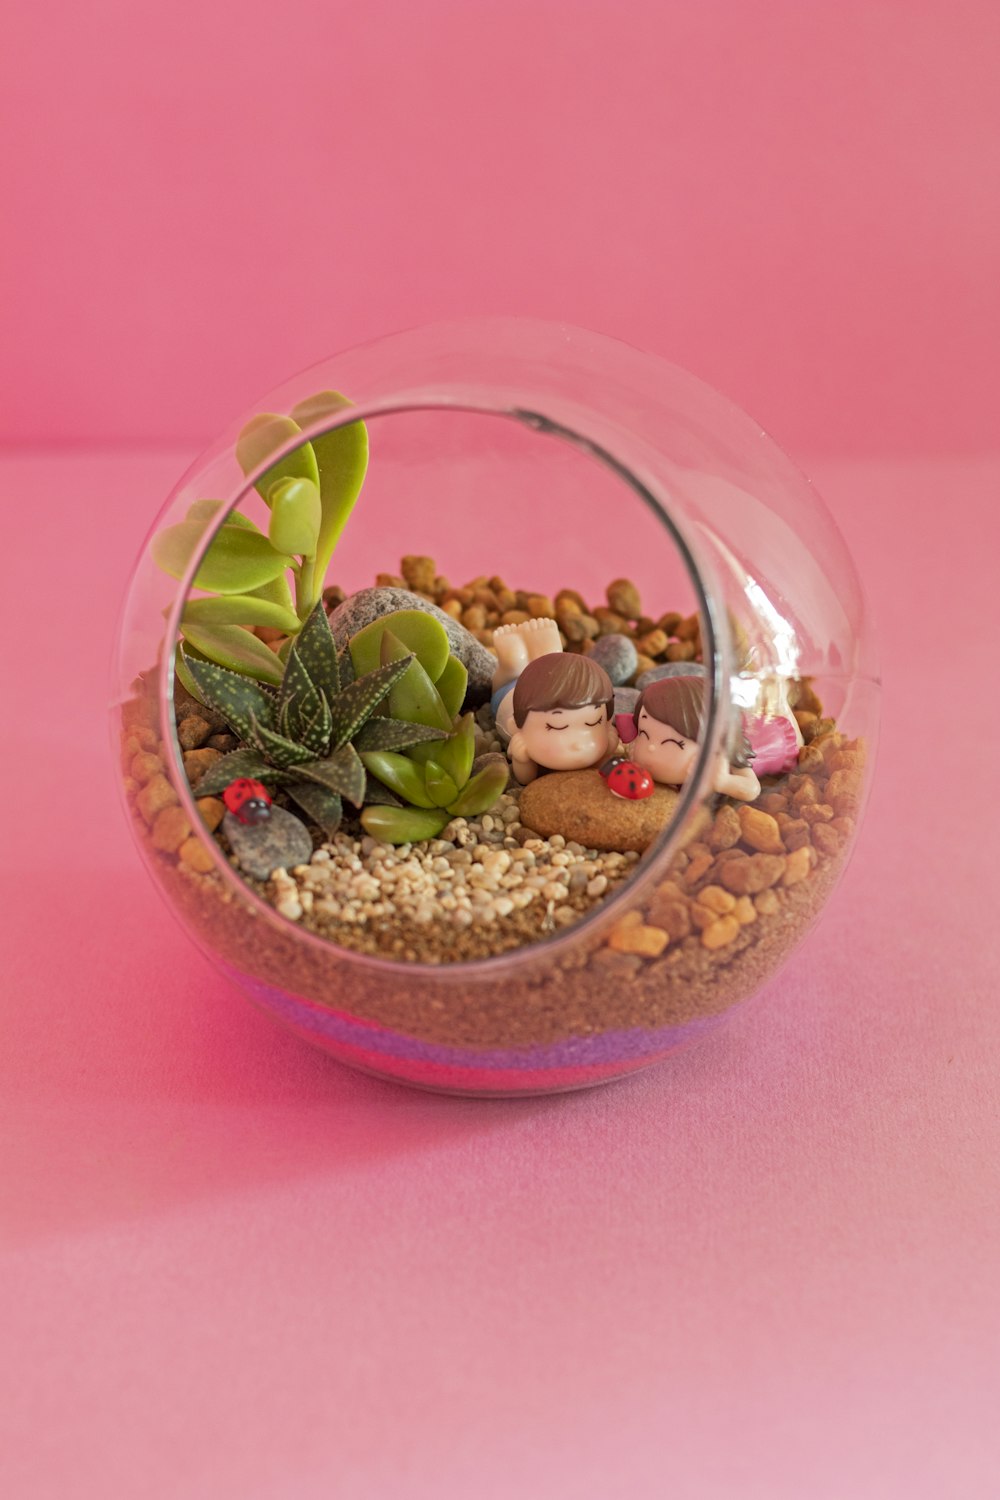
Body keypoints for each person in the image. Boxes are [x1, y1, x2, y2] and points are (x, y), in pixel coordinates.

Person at [491, 620, 619, 784]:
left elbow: (599, 769)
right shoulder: (523, 734)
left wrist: (608, 748)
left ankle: (539, 658)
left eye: (594, 721)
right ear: (516, 727)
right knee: (507, 683)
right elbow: (525, 780)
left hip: (542, 691)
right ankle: (512, 666)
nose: (578, 745)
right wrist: (521, 760)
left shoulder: (599, 739)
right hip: (512, 696)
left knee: (530, 675)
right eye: (556, 725)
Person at [628, 674, 760, 801]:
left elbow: (752, 789)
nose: (651, 748)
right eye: (643, 734)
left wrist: (724, 782)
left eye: (672, 743)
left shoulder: (725, 755)